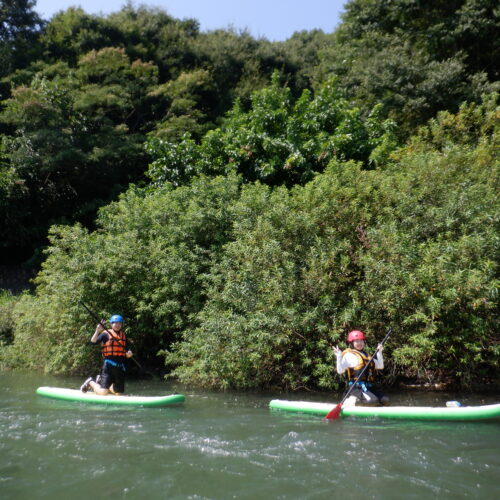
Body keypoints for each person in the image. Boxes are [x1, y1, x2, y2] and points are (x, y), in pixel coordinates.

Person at [333, 330, 389, 406]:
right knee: (373, 401)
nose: (359, 343)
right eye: (356, 341)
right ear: (352, 343)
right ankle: (351, 400)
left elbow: (380, 366)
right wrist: (339, 356)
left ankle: (367, 404)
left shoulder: (367, 355)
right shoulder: (349, 355)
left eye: (361, 341)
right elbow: (340, 371)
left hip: (368, 387)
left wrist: (379, 352)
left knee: (385, 400)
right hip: (355, 388)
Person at [80, 314, 133, 395]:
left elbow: (127, 349)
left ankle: (107, 385)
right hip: (108, 366)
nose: (118, 325)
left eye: (120, 323)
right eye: (115, 323)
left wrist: (129, 354)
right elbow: (93, 342)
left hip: (120, 367)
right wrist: (97, 331)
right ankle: (90, 382)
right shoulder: (105, 334)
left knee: (119, 394)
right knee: (103, 393)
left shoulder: (123, 336)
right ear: (111, 324)